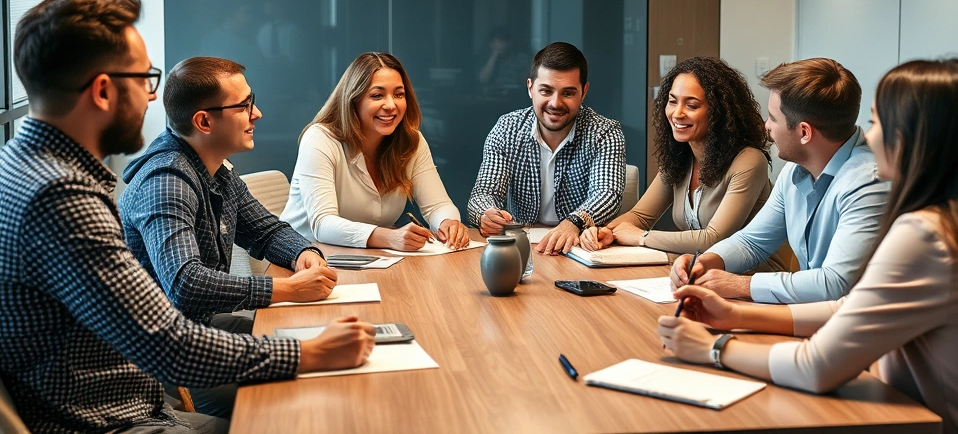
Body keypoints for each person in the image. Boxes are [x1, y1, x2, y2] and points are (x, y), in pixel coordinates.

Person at [0, 0, 375, 433]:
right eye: (144, 80)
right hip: (113, 420)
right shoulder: (62, 198)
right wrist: (310, 353)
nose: (151, 98)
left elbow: (261, 229)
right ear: (103, 91)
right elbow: (169, 341)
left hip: (132, 402)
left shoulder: (26, 166)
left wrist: (297, 263)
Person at [659, 58, 958, 434]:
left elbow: (816, 364)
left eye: (878, 122)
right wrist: (735, 316)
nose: (870, 136)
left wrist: (714, 349)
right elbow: (851, 308)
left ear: (912, 139)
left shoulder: (924, 233)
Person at [119, 56, 339, 418]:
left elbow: (265, 230)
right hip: (170, 359)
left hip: (200, 329)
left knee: (313, 342)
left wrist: (303, 253)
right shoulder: (167, 181)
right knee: (306, 394)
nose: (258, 114)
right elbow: (185, 283)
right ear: (204, 121)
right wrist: (288, 289)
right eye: (245, 106)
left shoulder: (214, 167)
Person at [670, 58, 889, 303]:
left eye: (773, 118)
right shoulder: (795, 170)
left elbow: (834, 284)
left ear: (804, 132)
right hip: (815, 318)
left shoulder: (869, 184)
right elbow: (751, 242)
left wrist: (739, 284)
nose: (766, 126)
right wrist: (708, 262)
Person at [582, 57, 791, 274]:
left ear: (718, 111)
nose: (677, 113)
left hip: (752, 277)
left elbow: (713, 239)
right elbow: (641, 217)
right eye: (672, 101)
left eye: (691, 105)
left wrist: (642, 237)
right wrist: (604, 231)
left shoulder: (749, 160)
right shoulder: (680, 156)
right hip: (698, 268)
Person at [281, 52, 470, 250]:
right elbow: (323, 224)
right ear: (353, 100)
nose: (390, 105)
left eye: (399, 94)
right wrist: (389, 237)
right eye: (377, 95)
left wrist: (448, 223)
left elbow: (437, 205)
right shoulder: (320, 138)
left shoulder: (411, 141)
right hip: (304, 257)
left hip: (371, 259)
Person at [467, 42, 626, 255]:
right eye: (546, 91)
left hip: (580, 249)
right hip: (520, 249)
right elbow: (484, 192)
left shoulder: (605, 132)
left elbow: (607, 193)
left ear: (584, 92)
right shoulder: (507, 128)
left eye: (568, 93)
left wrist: (574, 222)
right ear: (530, 88)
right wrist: (485, 214)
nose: (555, 103)